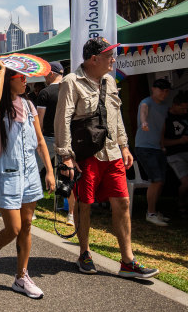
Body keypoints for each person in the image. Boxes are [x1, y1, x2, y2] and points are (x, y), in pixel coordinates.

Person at [55, 37, 159, 278]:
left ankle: (128, 261)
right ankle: (84, 253)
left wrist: (124, 145)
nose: (113, 59)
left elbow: (117, 115)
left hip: (112, 153)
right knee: (84, 204)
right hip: (86, 154)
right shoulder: (72, 81)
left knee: (123, 202)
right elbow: (63, 119)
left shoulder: (110, 81)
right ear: (94, 59)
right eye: (109, 55)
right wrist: (66, 156)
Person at [0, 60, 55, 299]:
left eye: (26, 77)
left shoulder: (28, 104)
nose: (26, 80)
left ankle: (21, 277)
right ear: (8, 80)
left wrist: (50, 171)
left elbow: (41, 140)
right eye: (21, 77)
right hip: (7, 173)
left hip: (31, 172)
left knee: (27, 226)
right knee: (13, 228)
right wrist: (2, 70)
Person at [36, 61, 73, 225]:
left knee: (34, 171)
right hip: (67, 139)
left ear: (52, 73)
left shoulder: (45, 93)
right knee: (69, 176)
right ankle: (71, 214)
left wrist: (38, 139)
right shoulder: (71, 90)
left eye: (45, 73)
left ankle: (31, 209)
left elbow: (40, 120)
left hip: (49, 138)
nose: (44, 76)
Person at [135, 78, 171, 226]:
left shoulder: (164, 106)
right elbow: (144, 110)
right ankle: (150, 213)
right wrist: (143, 122)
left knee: (160, 181)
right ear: (153, 89)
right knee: (156, 180)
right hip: (144, 147)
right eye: (161, 89)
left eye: (166, 90)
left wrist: (162, 145)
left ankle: (154, 211)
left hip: (157, 148)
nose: (164, 93)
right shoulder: (146, 101)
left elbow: (162, 127)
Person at [162, 91, 188, 219]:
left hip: (186, 151)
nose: (185, 110)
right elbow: (161, 141)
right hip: (174, 154)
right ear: (175, 105)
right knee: (186, 183)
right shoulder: (165, 117)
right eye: (182, 108)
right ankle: (181, 204)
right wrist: (180, 141)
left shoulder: (186, 115)